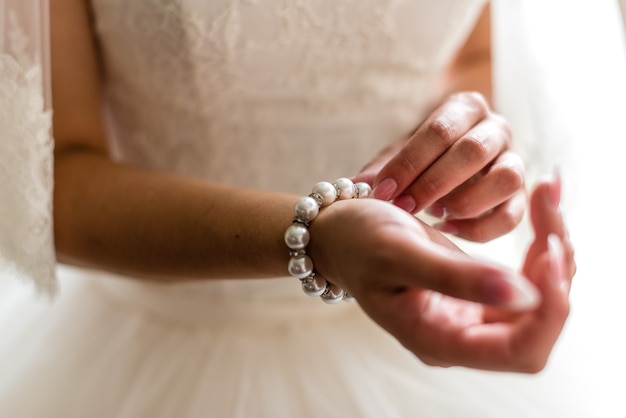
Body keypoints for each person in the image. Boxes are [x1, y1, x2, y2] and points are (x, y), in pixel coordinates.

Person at [0, 0, 585, 416]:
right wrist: (316, 236)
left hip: (411, 334)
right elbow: (53, 174)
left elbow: (474, 53)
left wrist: (458, 145)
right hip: (155, 354)